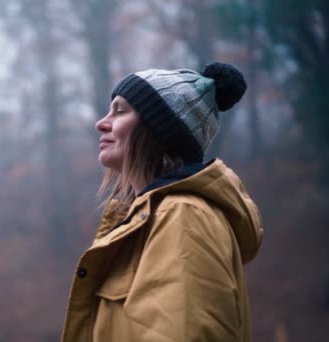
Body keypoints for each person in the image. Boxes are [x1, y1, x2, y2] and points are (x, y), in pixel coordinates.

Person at [61, 62, 264, 342]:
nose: (101, 122)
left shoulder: (183, 216)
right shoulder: (151, 219)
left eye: (120, 111)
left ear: (157, 130)